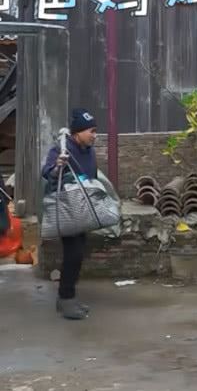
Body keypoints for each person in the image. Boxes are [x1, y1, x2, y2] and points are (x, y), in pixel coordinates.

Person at [42, 109, 98, 320]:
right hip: (67, 209)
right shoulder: (62, 148)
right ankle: (66, 299)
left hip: (83, 209)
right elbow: (47, 172)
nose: (94, 135)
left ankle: (67, 298)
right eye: (91, 131)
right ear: (77, 133)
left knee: (78, 253)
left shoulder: (89, 151)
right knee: (73, 254)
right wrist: (58, 167)